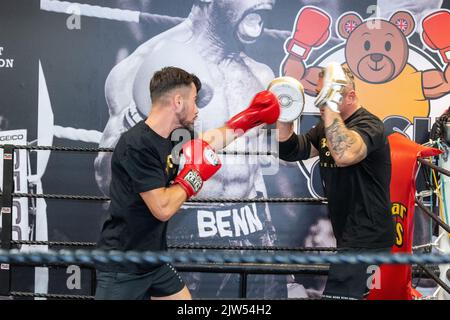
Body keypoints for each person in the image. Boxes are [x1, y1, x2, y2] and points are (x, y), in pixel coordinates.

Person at [95, 0, 286, 298]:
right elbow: (109, 180)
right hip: (170, 235)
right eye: (194, 103)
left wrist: (249, 119)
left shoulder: (260, 75)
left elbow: (222, 150)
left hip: (250, 229)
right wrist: (191, 177)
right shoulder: (141, 69)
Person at [276, 62, 395, 300]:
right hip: (349, 235)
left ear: (350, 96)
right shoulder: (326, 128)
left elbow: (345, 154)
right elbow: (291, 150)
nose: (320, 101)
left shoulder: (370, 125)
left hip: (369, 238)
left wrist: (329, 105)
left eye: (326, 94)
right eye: (318, 93)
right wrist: (285, 113)